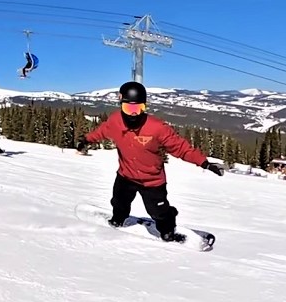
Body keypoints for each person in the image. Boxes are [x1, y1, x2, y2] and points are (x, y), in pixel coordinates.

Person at [76, 81, 224, 243]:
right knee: (118, 202)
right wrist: (86, 140)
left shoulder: (157, 128)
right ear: (121, 105)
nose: (133, 114)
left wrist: (205, 163)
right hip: (126, 176)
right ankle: (118, 219)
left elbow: (181, 148)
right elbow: (100, 132)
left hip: (152, 181)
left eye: (138, 108)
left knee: (157, 212)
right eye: (128, 108)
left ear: (144, 107)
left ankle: (168, 228)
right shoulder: (115, 121)